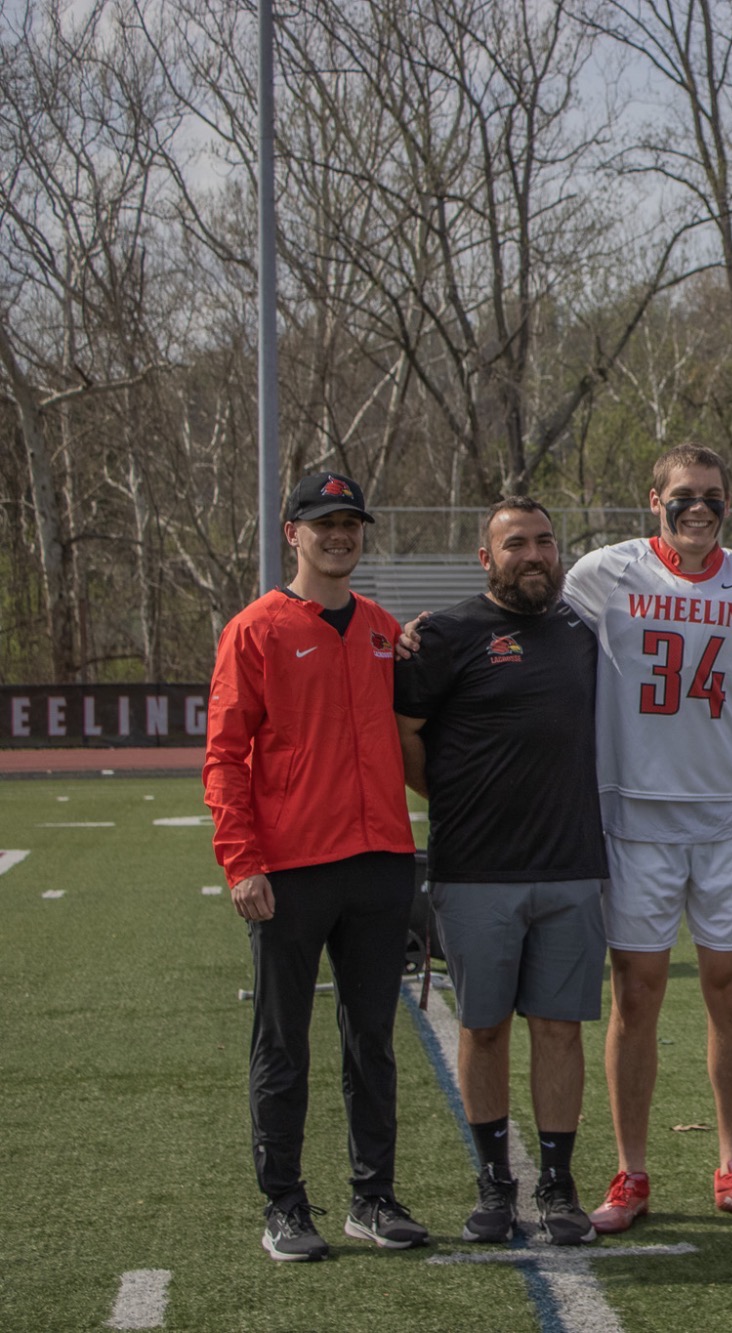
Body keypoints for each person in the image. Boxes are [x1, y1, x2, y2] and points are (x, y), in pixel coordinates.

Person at [560, 446, 732, 1231]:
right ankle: (630, 1171)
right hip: (636, 819)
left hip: (726, 815)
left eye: (714, 497)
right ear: (651, 497)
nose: (699, 508)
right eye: (683, 495)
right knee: (638, 997)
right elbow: (529, 622)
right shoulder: (605, 572)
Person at [204, 471, 427, 1262]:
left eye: (352, 524)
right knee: (282, 1042)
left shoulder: (380, 625)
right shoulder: (256, 629)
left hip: (379, 866)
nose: (341, 536)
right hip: (292, 869)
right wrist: (241, 860)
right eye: (324, 523)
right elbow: (225, 756)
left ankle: (374, 1195)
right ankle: (286, 1205)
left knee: (373, 1038)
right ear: (291, 532)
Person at [394, 498, 608, 1246]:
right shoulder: (445, 635)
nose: (534, 554)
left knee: (559, 1028)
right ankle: (493, 1182)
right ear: (485, 558)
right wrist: (455, 799)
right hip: (476, 868)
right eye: (515, 543)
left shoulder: (586, 630)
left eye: (545, 541)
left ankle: (557, 1180)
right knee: (482, 1028)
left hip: (573, 864)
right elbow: (406, 738)